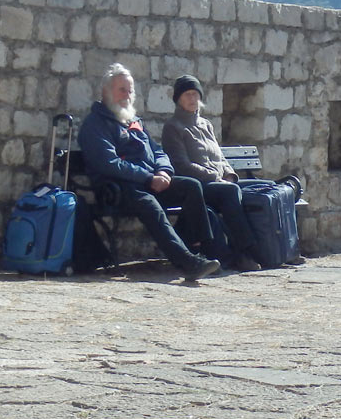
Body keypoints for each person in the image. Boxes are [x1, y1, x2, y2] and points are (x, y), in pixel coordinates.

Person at [77, 63, 221, 280]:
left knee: (191, 187)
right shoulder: (95, 125)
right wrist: (147, 178)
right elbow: (109, 163)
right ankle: (187, 262)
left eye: (130, 90)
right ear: (106, 92)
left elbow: (158, 151)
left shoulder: (133, 120)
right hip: (117, 189)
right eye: (121, 90)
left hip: (148, 182)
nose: (127, 95)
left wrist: (163, 171)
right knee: (148, 204)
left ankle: (204, 250)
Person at [161, 75, 263, 271]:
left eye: (195, 94)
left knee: (264, 188)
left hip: (221, 182)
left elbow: (220, 158)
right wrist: (216, 178)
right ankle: (248, 250)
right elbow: (182, 165)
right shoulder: (173, 127)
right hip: (199, 186)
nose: (192, 99)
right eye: (187, 94)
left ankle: (278, 247)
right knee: (230, 193)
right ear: (178, 99)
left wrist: (230, 175)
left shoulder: (206, 124)